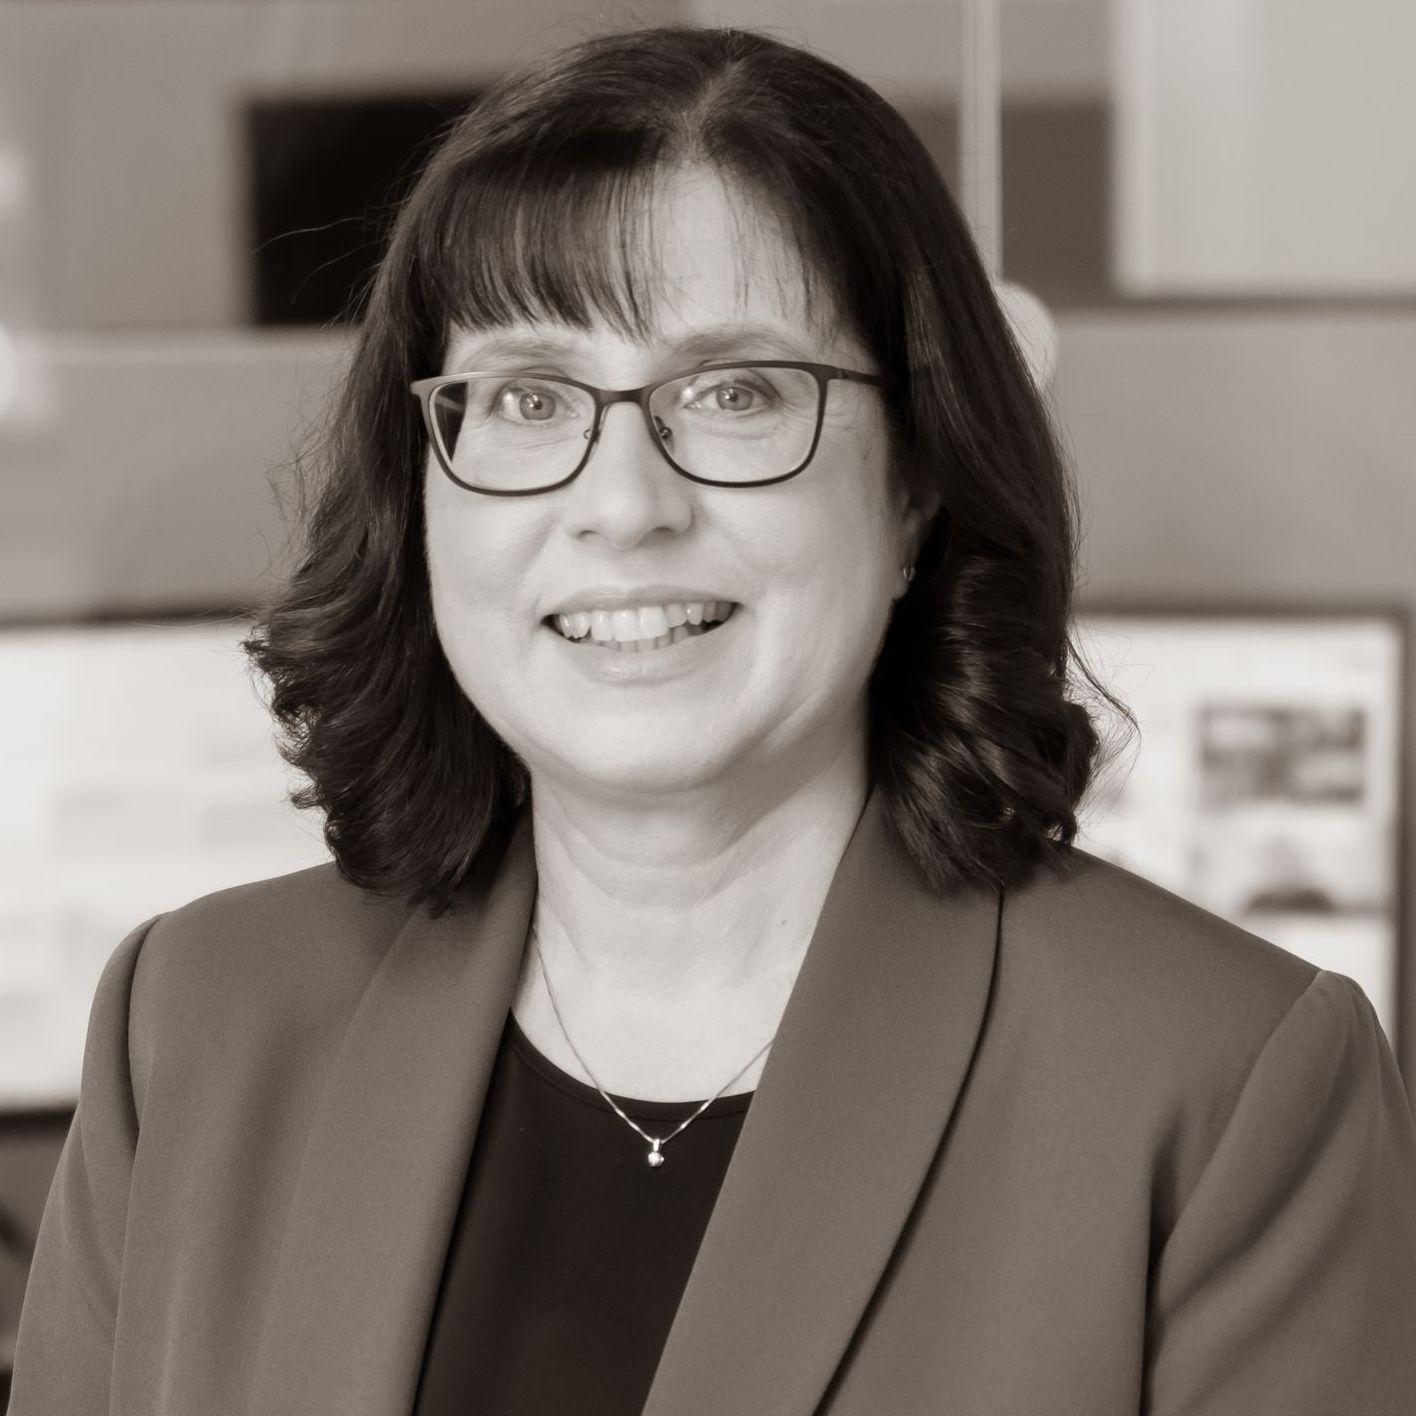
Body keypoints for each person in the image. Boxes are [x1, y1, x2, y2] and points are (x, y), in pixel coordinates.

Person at [10, 23, 1416, 1416]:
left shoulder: (1221, 1086)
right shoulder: (198, 1020)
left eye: (737, 393)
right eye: (529, 394)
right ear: (423, 485)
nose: (624, 505)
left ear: (918, 481)